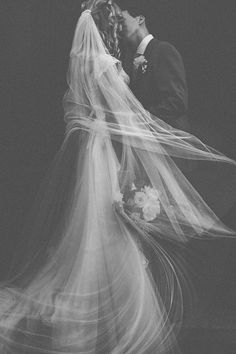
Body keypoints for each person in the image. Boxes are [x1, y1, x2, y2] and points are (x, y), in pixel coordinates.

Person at [0, 1, 235, 353]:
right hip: (111, 152)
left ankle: (156, 312)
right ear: (102, 28)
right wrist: (128, 125)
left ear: (139, 19)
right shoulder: (109, 63)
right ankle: (120, 317)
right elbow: (120, 111)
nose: (119, 24)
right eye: (115, 19)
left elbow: (170, 104)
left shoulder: (135, 55)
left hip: (122, 152)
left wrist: (134, 126)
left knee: (114, 228)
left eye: (123, 17)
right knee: (115, 228)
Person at [118, 0, 190, 132]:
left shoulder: (163, 50)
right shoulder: (127, 61)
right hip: (143, 141)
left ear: (139, 19)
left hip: (170, 139)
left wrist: (139, 119)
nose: (118, 27)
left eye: (121, 20)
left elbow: (176, 102)